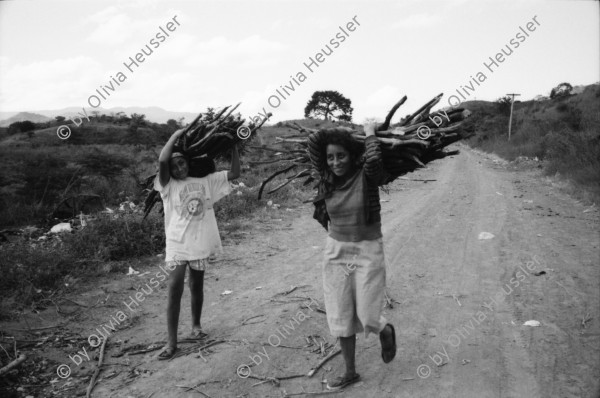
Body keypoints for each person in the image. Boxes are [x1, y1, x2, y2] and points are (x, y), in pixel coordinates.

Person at [307, 123, 396, 390]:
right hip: (336, 251)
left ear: (353, 155)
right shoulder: (325, 178)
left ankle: (386, 330)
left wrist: (368, 133)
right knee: (340, 316)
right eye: (330, 157)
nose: (335, 162)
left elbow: (374, 162)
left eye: (341, 155)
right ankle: (350, 372)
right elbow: (313, 144)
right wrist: (327, 133)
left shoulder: (367, 176)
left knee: (368, 316)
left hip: (368, 249)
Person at [154, 128, 240, 360]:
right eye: (175, 166)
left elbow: (234, 173)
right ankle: (171, 343)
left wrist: (233, 146)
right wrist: (175, 135)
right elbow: (163, 159)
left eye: (182, 163)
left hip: (200, 244)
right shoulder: (167, 185)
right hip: (177, 244)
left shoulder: (205, 181)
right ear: (169, 171)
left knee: (197, 285)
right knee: (174, 289)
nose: (179, 169)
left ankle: (196, 326)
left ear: (188, 163)